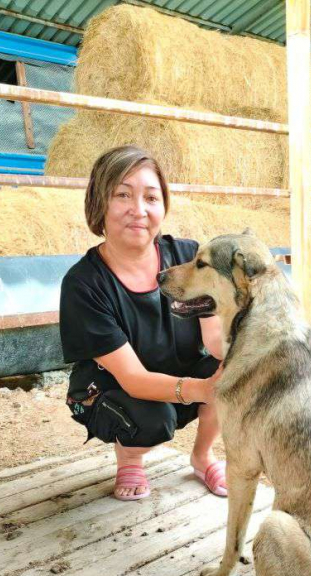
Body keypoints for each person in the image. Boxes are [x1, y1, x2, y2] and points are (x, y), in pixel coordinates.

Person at [59, 145, 226, 501]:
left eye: (151, 197)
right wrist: (202, 390)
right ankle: (129, 457)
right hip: (112, 387)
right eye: (122, 194)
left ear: (163, 206)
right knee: (152, 419)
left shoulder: (189, 257)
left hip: (176, 368)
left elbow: (214, 340)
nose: (139, 210)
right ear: (99, 202)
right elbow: (133, 379)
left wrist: (240, 364)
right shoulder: (84, 283)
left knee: (235, 363)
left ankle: (203, 455)